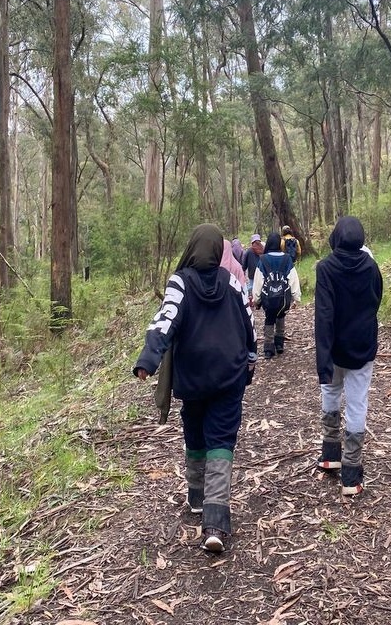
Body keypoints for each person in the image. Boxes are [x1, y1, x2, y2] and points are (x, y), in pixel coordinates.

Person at [133, 224, 257, 553]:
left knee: (196, 431)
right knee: (221, 439)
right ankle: (215, 522)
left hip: (193, 377)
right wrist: (252, 359)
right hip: (229, 374)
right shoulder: (231, 281)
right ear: (219, 251)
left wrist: (148, 359)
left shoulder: (180, 282)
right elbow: (248, 321)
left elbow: (165, 319)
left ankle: (198, 496)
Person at [315, 215, 383, 496]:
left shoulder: (325, 268)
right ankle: (351, 475)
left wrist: (322, 354)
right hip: (362, 345)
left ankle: (331, 455)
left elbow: (324, 312)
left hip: (333, 346)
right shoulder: (371, 266)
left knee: (330, 394)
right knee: (357, 403)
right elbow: (376, 298)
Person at [252, 232, 301, 358]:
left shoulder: (263, 260)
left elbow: (258, 280)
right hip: (283, 298)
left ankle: (268, 348)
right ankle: (279, 344)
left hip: (268, 298)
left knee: (269, 318)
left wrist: (256, 299)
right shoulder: (286, 259)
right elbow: (293, 278)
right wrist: (296, 298)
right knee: (281, 316)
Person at [242, 234, 264, 302]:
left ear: (252, 242)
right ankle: (259, 298)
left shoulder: (249, 251)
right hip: (261, 272)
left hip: (252, 272)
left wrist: (243, 269)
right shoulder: (263, 249)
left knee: (251, 285)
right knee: (260, 285)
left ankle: (251, 297)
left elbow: (244, 261)